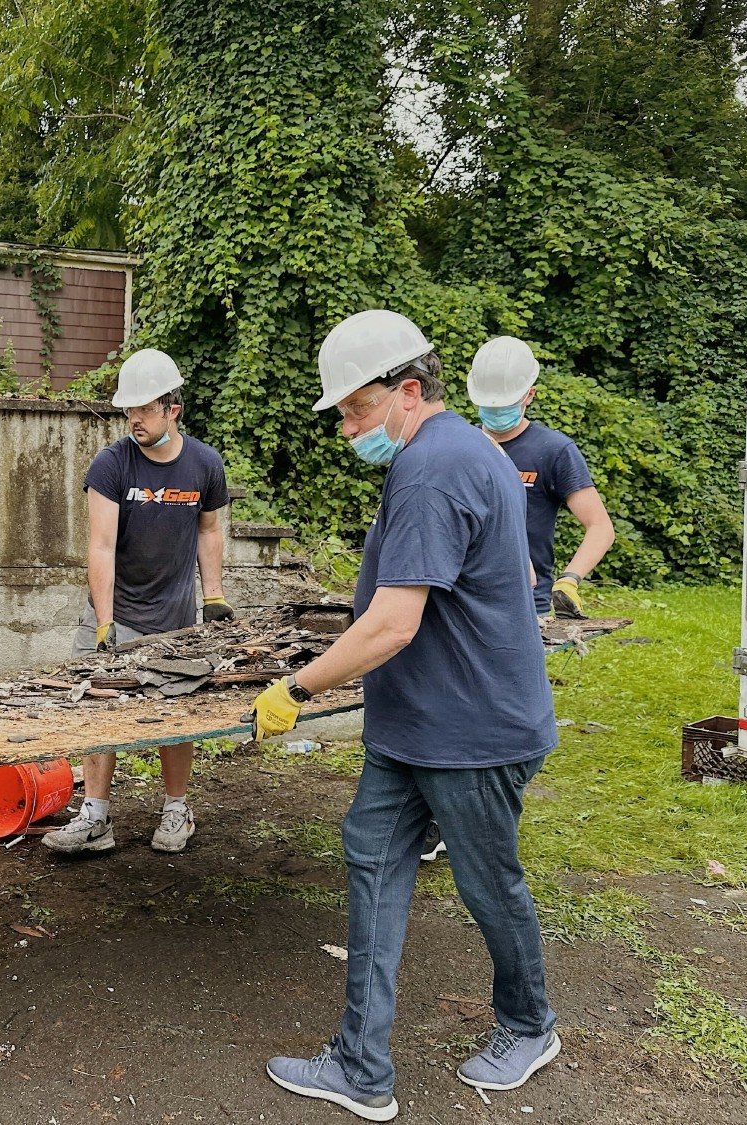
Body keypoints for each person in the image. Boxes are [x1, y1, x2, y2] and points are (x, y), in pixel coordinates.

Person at [251, 311, 560, 1121]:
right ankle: (361, 1064)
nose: (348, 429)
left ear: (408, 391)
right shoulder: (452, 452)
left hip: (473, 731)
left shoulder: (433, 466)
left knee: (490, 884)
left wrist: (297, 688)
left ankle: (531, 1024)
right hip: (417, 723)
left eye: (354, 410)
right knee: (372, 860)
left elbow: (393, 622)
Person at [43, 349, 233, 856]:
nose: (134, 419)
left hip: (176, 621)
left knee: (177, 718)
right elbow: (100, 545)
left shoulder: (205, 464)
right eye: (129, 410)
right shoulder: (112, 463)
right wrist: (104, 623)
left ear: (173, 408)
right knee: (96, 714)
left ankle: (176, 810)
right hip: (116, 613)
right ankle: (95, 817)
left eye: (144, 409)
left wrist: (212, 595)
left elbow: (209, 530)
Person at [467, 336, 614, 620]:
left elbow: (600, 527)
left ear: (529, 395)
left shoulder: (554, 451)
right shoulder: (462, 445)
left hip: (525, 603)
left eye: (506, 402)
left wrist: (570, 579)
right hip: (462, 598)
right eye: (490, 403)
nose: (497, 409)